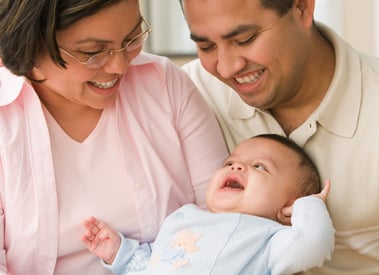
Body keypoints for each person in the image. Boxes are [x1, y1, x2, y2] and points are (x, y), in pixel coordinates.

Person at [177, 0, 379, 274]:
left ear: (302, 7)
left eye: (245, 39)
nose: (227, 68)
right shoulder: (190, 94)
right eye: (206, 47)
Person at [0, 0, 228, 274]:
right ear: (31, 45)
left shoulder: (164, 84)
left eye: (131, 38)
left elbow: (222, 223)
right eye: (93, 52)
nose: (120, 66)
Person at [81, 134, 334, 275]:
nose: (237, 166)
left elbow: (312, 246)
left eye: (259, 166)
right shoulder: (185, 218)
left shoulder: (268, 237)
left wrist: (308, 206)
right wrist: (120, 253)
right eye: (229, 163)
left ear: (287, 206)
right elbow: (155, 262)